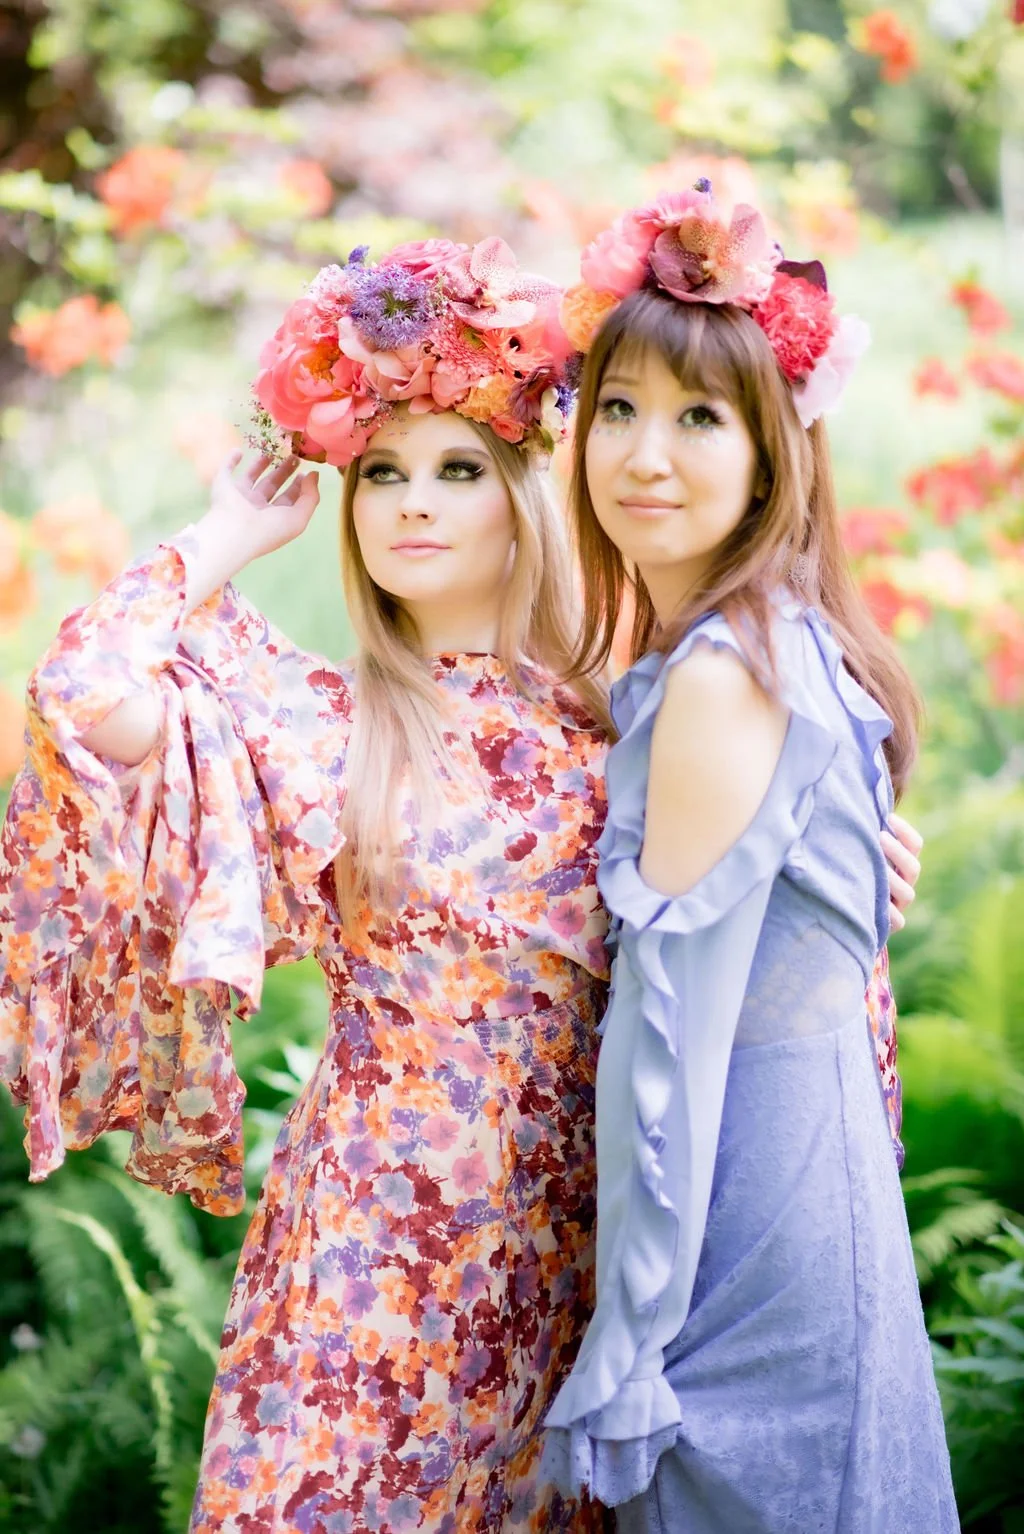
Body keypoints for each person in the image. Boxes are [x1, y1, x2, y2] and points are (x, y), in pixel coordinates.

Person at [0, 231, 920, 1533]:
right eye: (381, 474)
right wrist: (225, 533)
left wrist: (841, 866)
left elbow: (726, 939)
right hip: (378, 1253)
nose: (411, 504)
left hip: (576, 1250)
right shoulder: (326, 728)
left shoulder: (622, 719)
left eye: (456, 470)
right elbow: (80, 696)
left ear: (525, 490)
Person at [542, 185, 957, 1531]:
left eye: (699, 418)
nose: (642, 455)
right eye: (617, 408)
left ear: (777, 451)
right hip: (803, 1199)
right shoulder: (760, 641)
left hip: (748, 1254)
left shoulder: (725, 675)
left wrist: (629, 1345)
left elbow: (666, 1047)